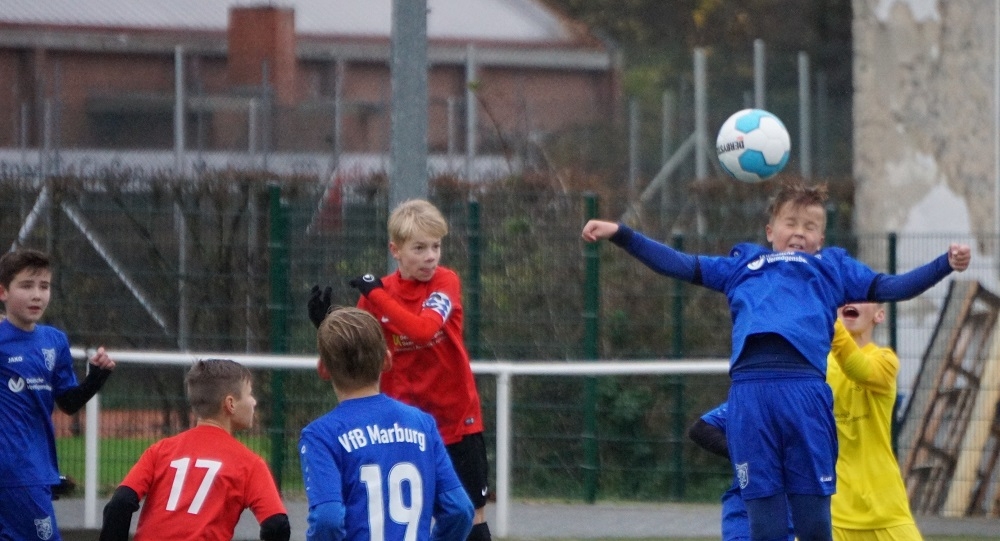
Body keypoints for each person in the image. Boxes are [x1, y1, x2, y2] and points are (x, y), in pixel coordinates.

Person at [581, 179, 970, 541]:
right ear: (771, 231)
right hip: (751, 397)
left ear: (820, 238)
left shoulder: (831, 269)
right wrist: (622, 234)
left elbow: (892, 286)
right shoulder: (743, 265)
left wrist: (944, 264)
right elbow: (680, 263)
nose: (799, 231)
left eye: (810, 225)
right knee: (765, 528)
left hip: (805, 393)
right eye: (790, 222)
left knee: (815, 524)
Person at [309, 198, 492, 541]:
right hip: (401, 427)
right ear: (395, 249)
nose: (431, 256)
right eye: (419, 248)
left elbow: (422, 330)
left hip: (456, 421)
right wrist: (327, 326)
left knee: (469, 517)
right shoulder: (379, 294)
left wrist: (375, 295)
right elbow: (341, 361)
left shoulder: (445, 282)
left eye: (436, 246)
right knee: (396, 519)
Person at [300, 306, 474, 540]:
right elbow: (459, 510)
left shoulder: (321, 435)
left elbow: (327, 519)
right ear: (387, 360)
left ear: (323, 369)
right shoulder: (422, 424)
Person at [100, 359, 289, 541]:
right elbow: (277, 525)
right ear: (230, 404)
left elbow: (120, 504)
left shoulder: (161, 451)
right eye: (249, 394)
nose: (254, 402)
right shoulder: (249, 463)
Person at [0, 248, 116, 541]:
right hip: (17, 471)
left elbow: (67, 402)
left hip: (34, 470)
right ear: (3, 292)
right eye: (26, 286)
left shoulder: (54, 341)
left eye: (44, 286)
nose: (37, 295)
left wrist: (96, 377)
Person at [828, 302, 922, 540]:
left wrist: (827, 317)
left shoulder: (885, 359)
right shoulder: (816, 365)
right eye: (843, 296)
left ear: (879, 315)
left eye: (860, 296)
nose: (850, 302)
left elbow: (859, 370)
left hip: (885, 507)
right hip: (832, 510)